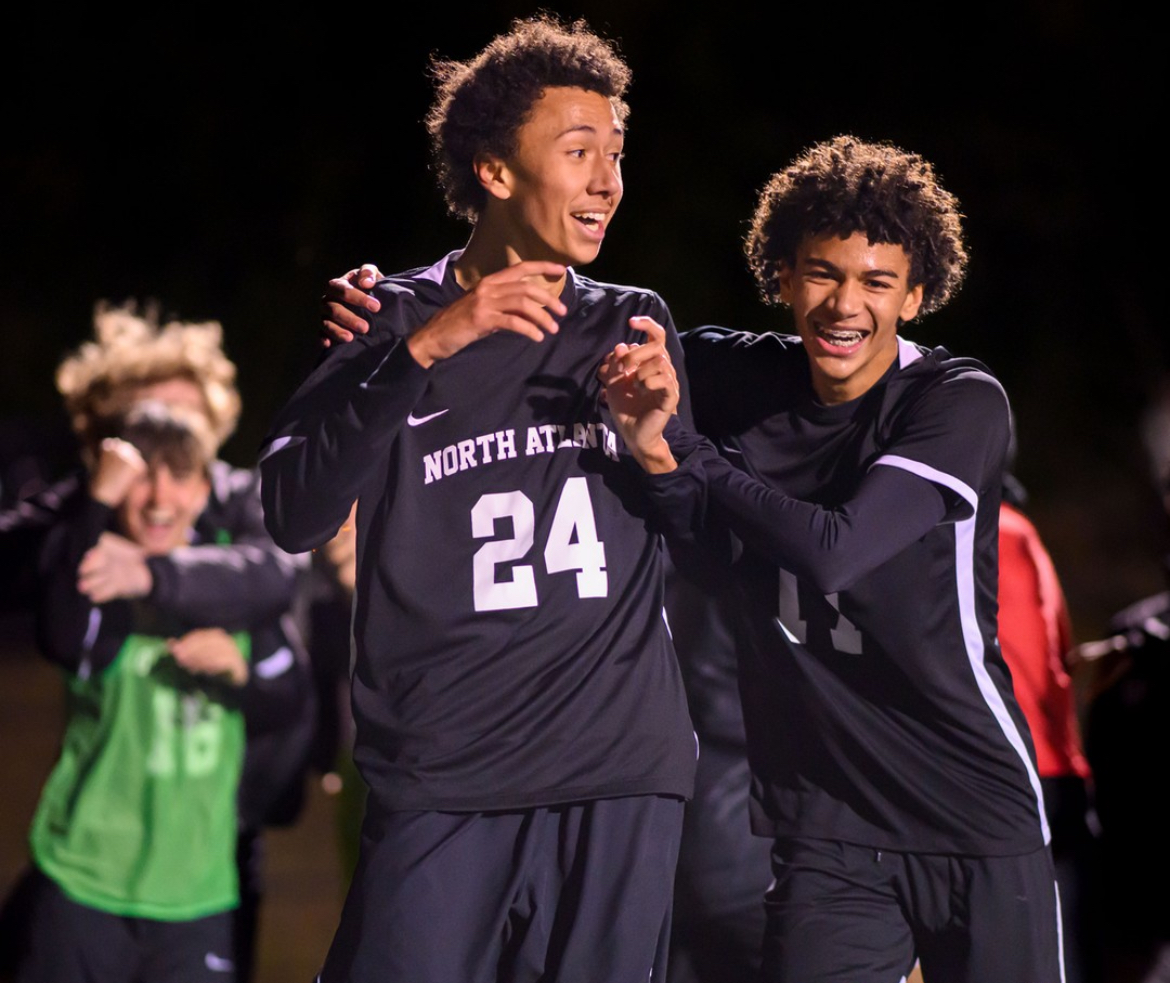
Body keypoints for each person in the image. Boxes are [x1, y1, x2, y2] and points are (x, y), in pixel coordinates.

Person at [261, 16, 694, 983]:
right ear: (496, 172)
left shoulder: (632, 324)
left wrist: (657, 445)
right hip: (445, 779)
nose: (605, 182)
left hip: (620, 774)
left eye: (616, 155)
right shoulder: (385, 318)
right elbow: (291, 511)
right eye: (577, 153)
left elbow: (698, 536)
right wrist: (423, 350)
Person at [600, 135, 1061, 983]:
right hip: (827, 820)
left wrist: (693, 455)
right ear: (781, 275)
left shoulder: (956, 401)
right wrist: (404, 322)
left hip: (970, 807)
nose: (844, 304)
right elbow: (589, 339)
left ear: (916, 295)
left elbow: (835, 554)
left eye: (877, 282)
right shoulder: (735, 378)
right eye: (822, 273)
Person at [0, 304, 312, 983]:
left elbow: (280, 589)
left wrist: (155, 575)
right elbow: (53, 612)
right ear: (108, 449)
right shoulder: (90, 522)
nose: (162, 477)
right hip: (89, 868)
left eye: (186, 434)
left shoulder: (237, 508)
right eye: (143, 440)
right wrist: (90, 522)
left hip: (215, 851)